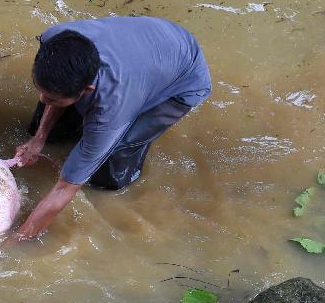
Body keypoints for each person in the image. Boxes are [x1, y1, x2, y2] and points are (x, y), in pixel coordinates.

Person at [12, 16, 211, 240]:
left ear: (86, 90)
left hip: (182, 76)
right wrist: (40, 137)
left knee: (109, 166)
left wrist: (19, 238)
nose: (42, 98)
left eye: (52, 97)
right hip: (149, 45)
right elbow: (54, 92)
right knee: (52, 126)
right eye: (41, 89)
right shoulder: (55, 40)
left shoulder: (111, 108)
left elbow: (64, 188)